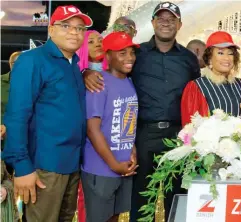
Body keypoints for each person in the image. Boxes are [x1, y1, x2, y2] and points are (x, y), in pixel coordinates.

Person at [82, 2, 201, 221]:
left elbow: (196, 94)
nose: (166, 23)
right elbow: (111, 70)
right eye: (161, 18)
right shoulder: (137, 53)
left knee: (176, 198)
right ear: (153, 22)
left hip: (178, 137)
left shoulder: (188, 59)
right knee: (141, 200)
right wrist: (87, 72)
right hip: (143, 135)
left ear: (180, 24)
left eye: (171, 19)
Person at [2, 5, 92, 221]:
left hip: (71, 164)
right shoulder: (33, 60)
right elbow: (16, 116)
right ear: (51, 29)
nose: (74, 32)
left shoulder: (73, 64)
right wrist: (22, 167)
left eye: (80, 28)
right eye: (66, 26)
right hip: (44, 166)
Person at [82, 32, 139, 222]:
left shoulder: (128, 82)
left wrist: (132, 150)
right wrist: (114, 164)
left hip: (123, 167)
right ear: (107, 56)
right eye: (122, 53)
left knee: (114, 217)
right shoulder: (98, 83)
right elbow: (92, 129)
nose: (129, 58)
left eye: (131, 52)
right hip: (101, 168)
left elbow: (127, 121)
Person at [75, 29, 106, 222]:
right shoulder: (78, 74)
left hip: (109, 142)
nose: (97, 44)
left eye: (100, 40)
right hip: (85, 142)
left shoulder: (116, 73)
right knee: (85, 195)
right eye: (91, 41)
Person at [181, 31, 241, 126]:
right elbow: (189, 129)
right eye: (220, 53)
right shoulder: (196, 87)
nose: (226, 58)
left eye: (230, 53)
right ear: (209, 58)